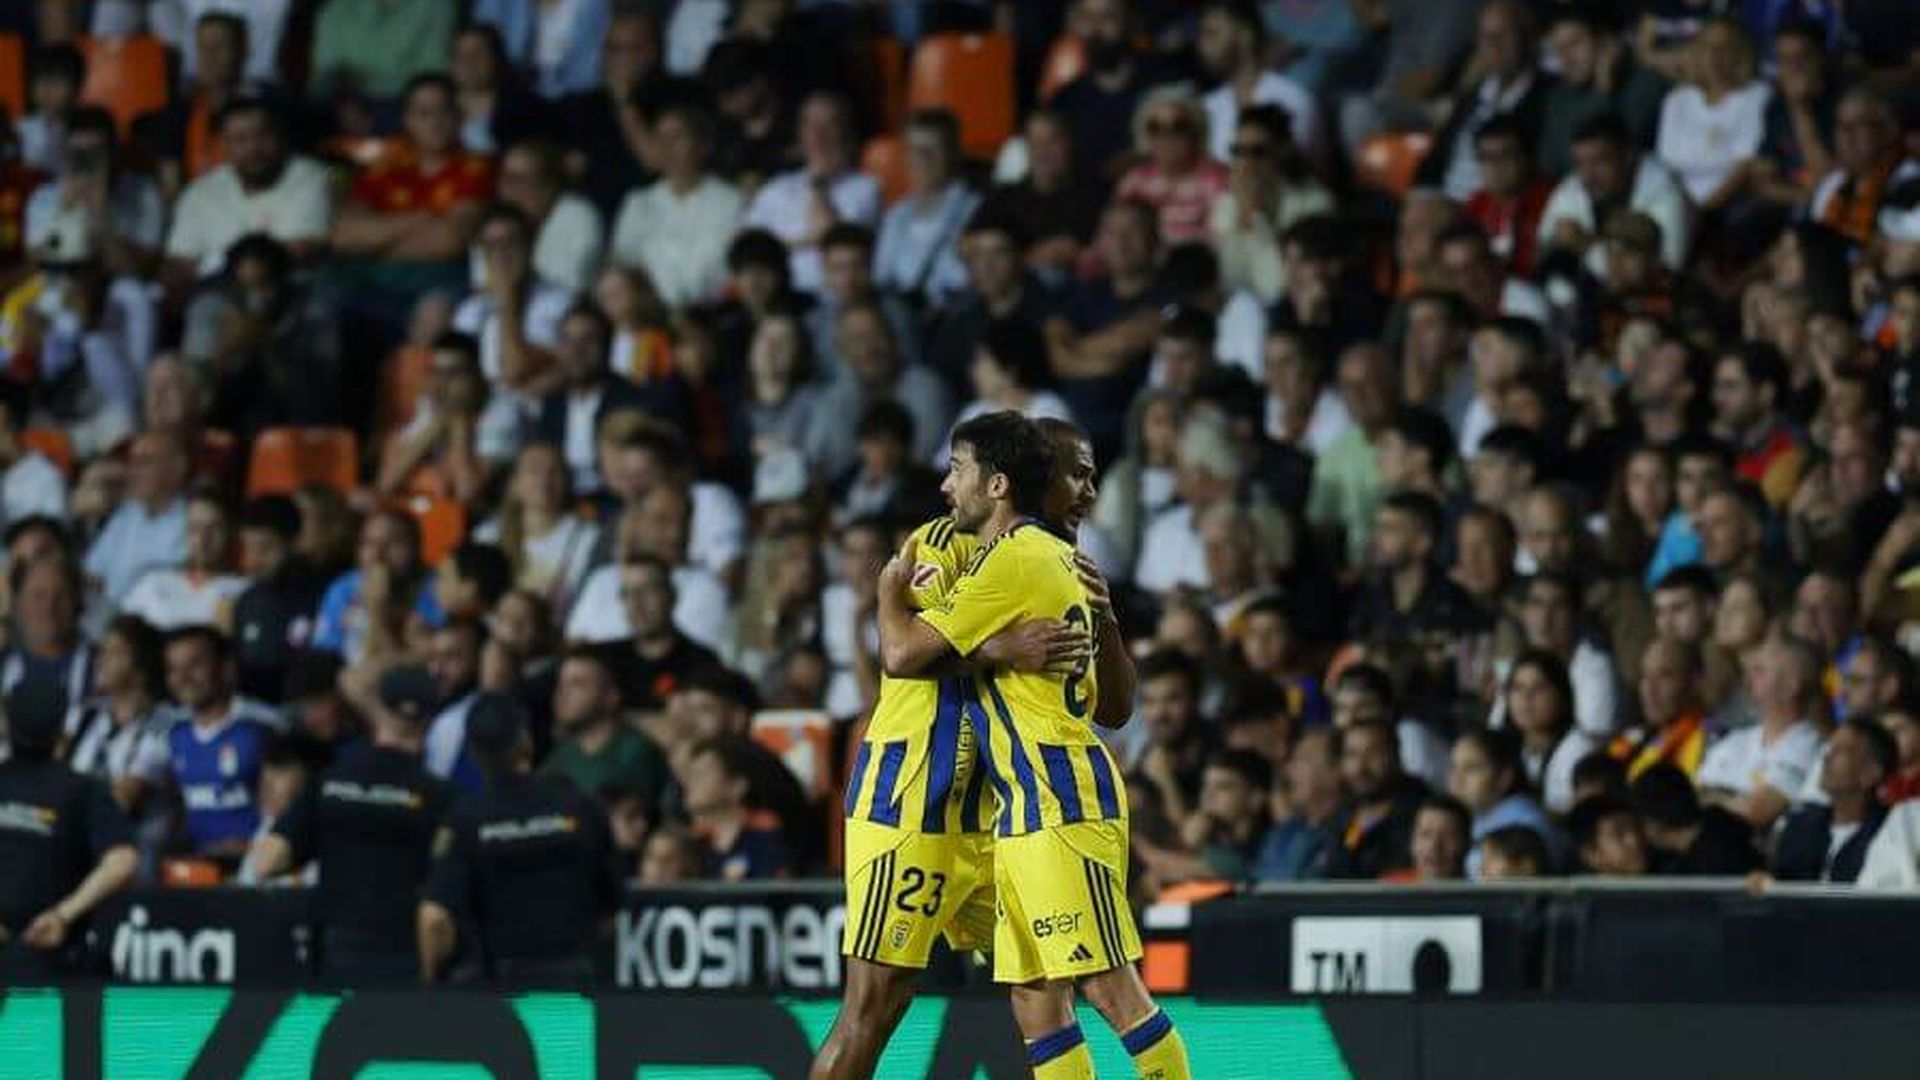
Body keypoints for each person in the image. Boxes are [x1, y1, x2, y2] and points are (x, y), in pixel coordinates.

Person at [856, 411, 1190, 1080]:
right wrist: (999, 648)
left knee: (1112, 988)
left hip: (1060, 796)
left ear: (1002, 484)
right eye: (1078, 475)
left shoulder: (1023, 560)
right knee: (1037, 999)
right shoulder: (1022, 556)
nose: (1088, 492)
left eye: (1093, 478)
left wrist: (887, 597)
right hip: (1016, 809)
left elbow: (902, 653)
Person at [240, 665, 454, 984]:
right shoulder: (443, 798)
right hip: (406, 956)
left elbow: (267, 862)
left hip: (339, 953)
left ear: (378, 710)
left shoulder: (330, 783)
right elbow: (438, 911)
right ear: (429, 719)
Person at [419, 691, 621, 985]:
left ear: (474, 753)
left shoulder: (466, 819)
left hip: (499, 987)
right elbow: (611, 906)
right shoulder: (577, 804)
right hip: (572, 977)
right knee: (566, 1034)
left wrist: (429, 981)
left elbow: (434, 919)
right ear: (525, 739)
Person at [0, 696, 137, 980]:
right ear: (63, 731)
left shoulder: (82, 790)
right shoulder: (84, 789)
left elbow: (123, 861)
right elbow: (122, 860)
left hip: (51, 957)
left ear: (7, 726)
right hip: (52, 951)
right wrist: (63, 915)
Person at [161, 625, 283, 860]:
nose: (183, 678)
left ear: (226, 668)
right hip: (196, 869)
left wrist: (254, 848)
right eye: (173, 669)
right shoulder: (172, 735)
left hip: (256, 868)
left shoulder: (262, 727)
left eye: (195, 665)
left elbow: (285, 807)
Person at [608, 101, 742, 309]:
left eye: (677, 137)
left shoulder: (732, 202)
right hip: (655, 322)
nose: (667, 147)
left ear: (704, 145)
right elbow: (624, 268)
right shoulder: (638, 204)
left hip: (717, 313)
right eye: (661, 139)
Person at [1697, 633, 1826, 831]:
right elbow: (1693, 800)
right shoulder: (1734, 741)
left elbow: (1754, 812)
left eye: (1759, 672)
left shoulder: (1809, 745)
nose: (1747, 680)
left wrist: (1715, 798)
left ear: (1791, 687)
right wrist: (1734, 798)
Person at [542, 647, 668, 819]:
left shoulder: (636, 751)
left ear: (611, 697)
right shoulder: (558, 758)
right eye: (560, 684)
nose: (562, 693)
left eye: (577, 684)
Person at [1772, 719, 1894, 884]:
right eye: (1829, 748)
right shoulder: (1800, 827)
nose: (1826, 757)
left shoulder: (1890, 833)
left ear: (1871, 772)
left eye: (1840, 750)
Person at [118, 489, 248, 631]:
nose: (202, 539)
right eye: (194, 528)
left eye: (214, 528)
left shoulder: (246, 592)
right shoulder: (151, 582)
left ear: (232, 532)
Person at [1324, 717, 1427, 880]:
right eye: (1352, 754)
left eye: (1373, 753)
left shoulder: (1423, 811)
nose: (1361, 767)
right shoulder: (1344, 812)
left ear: (1396, 755)